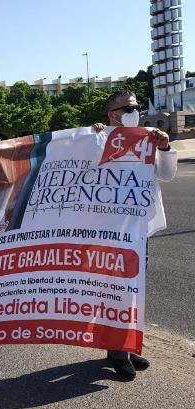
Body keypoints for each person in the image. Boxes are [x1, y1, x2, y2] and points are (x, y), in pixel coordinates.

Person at [92, 90, 177, 381]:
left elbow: (166, 175)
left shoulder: (148, 137)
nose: (134, 111)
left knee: (134, 291)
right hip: (111, 231)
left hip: (140, 229)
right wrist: (93, 138)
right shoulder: (98, 139)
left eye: (136, 107)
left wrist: (164, 148)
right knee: (116, 292)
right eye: (128, 108)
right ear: (112, 114)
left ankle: (127, 346)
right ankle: (117, 352)